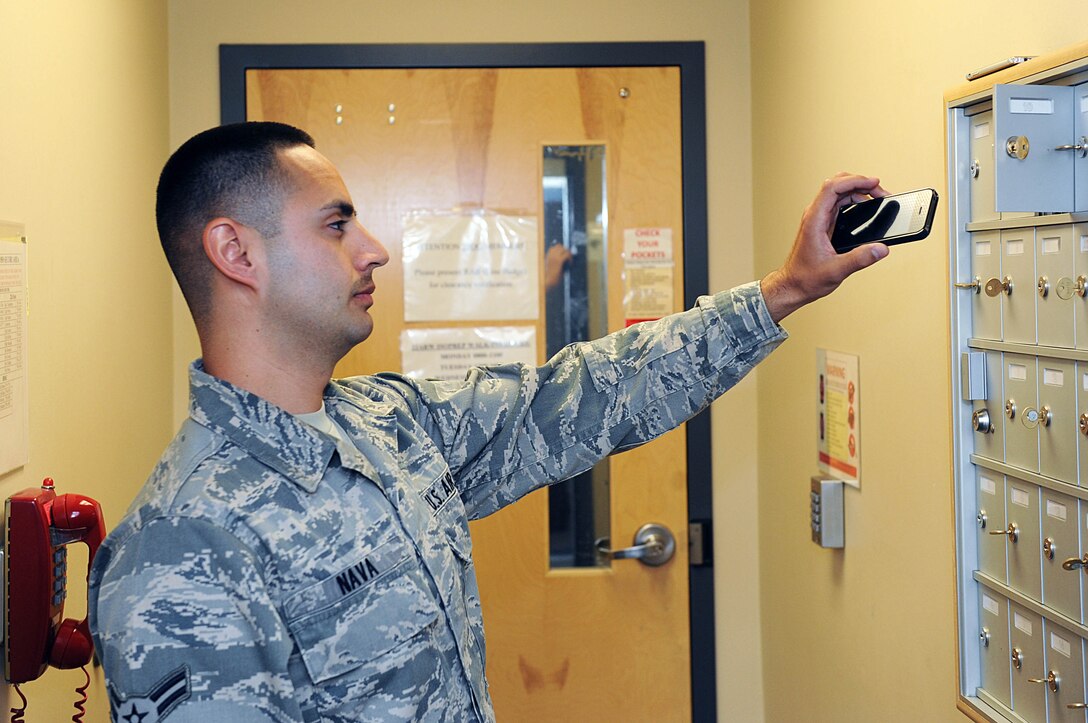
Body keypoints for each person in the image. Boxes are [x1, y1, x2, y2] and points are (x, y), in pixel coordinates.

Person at [88, 121, 888, 722]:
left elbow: (590, 394)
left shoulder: (388, 424)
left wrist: (786, 289)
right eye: (336, 225)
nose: (373, 250)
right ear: (236, 252)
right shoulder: (179, 549)